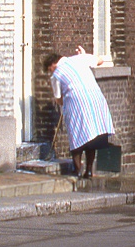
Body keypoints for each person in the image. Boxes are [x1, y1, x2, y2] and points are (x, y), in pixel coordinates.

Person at [45, 46, 115, 179]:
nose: (51, 72)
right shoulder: (80, 59)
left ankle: (77, 170)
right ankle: (88, 171)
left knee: (76, 135)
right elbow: (100, 60)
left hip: (76, 103)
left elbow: (58, 99)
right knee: (92, 135)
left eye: (50, 69)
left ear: (53, 64)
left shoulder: (56, 75)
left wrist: (63, 101)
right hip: (96, 100)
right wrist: (84, 54)